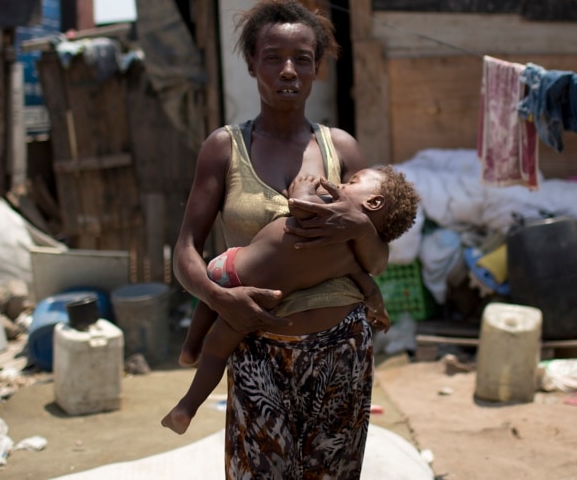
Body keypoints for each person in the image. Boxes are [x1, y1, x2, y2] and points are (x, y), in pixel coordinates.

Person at [171, 0, 394, 478]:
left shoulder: (343, 150)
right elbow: (184, 250)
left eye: (302, 58)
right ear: (252, 64)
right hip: (254, 349)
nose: (288, 70)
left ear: (317, 68)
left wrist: (359, 225)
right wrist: (218, 298)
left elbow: (377, 263)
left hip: (342, 352)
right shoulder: (223, 148)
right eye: (273, 58)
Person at [161, 165, 420, 435]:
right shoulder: (354, 258)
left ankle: (190, 352)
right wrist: (381, 310)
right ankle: (186, 407)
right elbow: (369, 288)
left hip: (231, 270)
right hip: (264, 301)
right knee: (217, 350)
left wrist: (304, 187)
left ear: (373, 202)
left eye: (352, 182)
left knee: (212, 318)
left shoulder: (323, 212)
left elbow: (300, 206)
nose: (341, 185)